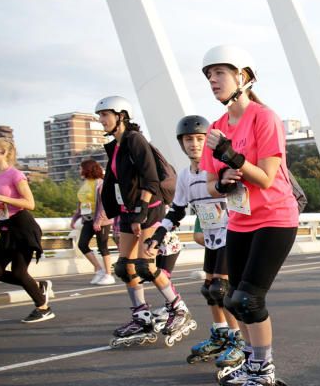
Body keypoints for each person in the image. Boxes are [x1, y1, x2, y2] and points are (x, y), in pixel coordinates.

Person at [200, 45, 299, 386]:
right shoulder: (215, 128)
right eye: (208, 75)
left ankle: (263, 372)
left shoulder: (264, 118)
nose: (212, 80)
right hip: (239, 220)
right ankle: (254, 364)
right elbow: (211, 184)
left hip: (275, 217)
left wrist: (233, 157)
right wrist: (223, 178)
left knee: (249, 298)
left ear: (243, 77)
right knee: (231, 299)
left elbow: (268, 177)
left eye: (219, 73)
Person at [96, 96, 192, 347]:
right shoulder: (115, 146)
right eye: (100, 115)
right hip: (129, 210)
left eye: (105, 115)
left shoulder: (134, 140)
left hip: (149, 208)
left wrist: (139, 213)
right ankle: (141, 315)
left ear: (121, 115)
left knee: (144, 265)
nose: (101, 120)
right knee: (124, 267)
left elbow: (150, 179)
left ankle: (177, 307)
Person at [147, 115, 242, 366]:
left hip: (230, 234)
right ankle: (221, 334)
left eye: (200, 139)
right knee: (209, 290)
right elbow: (177, 210)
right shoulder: (184, 176)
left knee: (221, 290)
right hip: (211, 236)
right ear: (181, 143)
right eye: (188, 139)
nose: (194, 144)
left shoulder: (220, 166)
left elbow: (239, 198)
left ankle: (238, 340)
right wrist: (158, 236)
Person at [0, 138, 54, 323]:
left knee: (20, 272)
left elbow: (30, 204)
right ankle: (38, 287)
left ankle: (43, 308)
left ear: (3, 152)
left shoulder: (15, 175)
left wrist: (1, 197)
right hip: (5, 227)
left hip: (23, 227)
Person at [71, 159, 115, 284]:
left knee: (102, 246)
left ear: (88, 169)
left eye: (81, 168)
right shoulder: (85, 184)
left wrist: (99, 221)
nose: (80, 170)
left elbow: (103, 204)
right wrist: (74, 218)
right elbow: (81, 203)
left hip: (102, 221)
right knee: (82, 244)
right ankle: (99, 269)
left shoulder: (100, 183)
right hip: (88, 219)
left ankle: (108, 274)